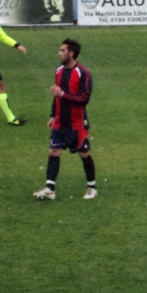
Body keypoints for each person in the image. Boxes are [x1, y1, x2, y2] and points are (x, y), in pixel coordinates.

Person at [33, 39, 98, 200]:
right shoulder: (59, 71)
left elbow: (84, 99)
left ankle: (92, 187)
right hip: (60, 121)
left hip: (76, 122)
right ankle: (50, 189)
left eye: (63, 50)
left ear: (71, 53)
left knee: (84, 153)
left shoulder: (83, 73)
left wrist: (62, 94)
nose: (59, 53)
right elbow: (56, 97)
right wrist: (53, 115)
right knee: (53, 151)